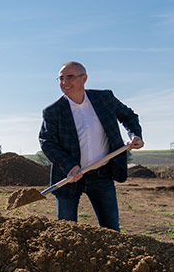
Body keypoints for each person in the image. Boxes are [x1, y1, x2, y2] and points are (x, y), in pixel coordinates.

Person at [39, 61, 143, 231]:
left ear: (84, 78)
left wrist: (135, 135)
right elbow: (47, 142)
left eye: (70, 77)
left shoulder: (104, 99)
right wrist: (69, 165)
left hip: (102, 175)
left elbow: (129, 116)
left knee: (111, 230)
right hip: (69, 177)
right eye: (61, 78)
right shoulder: (53, 111)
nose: (64, 83)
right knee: (66, 231)